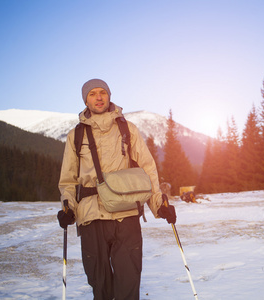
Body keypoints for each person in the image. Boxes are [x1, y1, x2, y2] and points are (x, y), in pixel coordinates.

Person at [57, 78, 176, 300]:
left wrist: (159, 205)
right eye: (93, 94)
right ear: (86, 100)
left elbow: (148, 169)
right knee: (100, 288)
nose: (99, 97)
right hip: (91, 217)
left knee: (128, 286)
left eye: (102, 92)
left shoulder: (127, 129)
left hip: (126, 215)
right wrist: (68, 208)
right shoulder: (76, 135)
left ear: (109, 96)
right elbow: (68, 179)